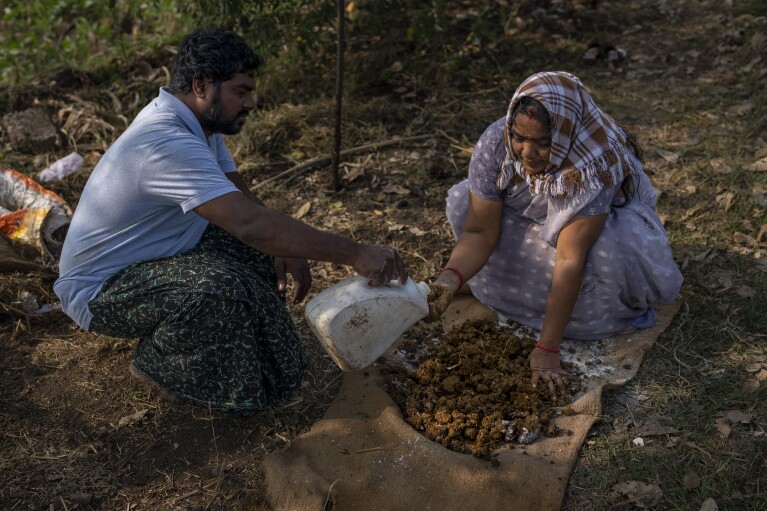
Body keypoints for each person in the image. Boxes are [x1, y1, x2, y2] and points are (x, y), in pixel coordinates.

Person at [54, 29, 408, 415]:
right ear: (202, 86)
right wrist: (355, 253)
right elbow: (250, 225)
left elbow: (242, 201)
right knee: (217, 289)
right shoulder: (165, 142)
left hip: (159, 258)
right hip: (104, 292)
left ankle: (244, 347)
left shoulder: (198, 126)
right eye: (240, 92)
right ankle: (158, 363)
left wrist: (285, 246)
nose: (251, 103)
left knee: (260, 263)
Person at [428, 71, 682, 398]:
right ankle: (498, 293)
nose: (527, 152)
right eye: (519, 137)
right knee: (467, 207)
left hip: (592, 238)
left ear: (563, 136)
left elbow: (568, 260)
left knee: (607, 253)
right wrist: (449, 278)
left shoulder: (591, 165)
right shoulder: (495, 143)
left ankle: (580, 319)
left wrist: (547, 348)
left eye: (543, 143)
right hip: (531, 223)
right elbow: (479, 231)